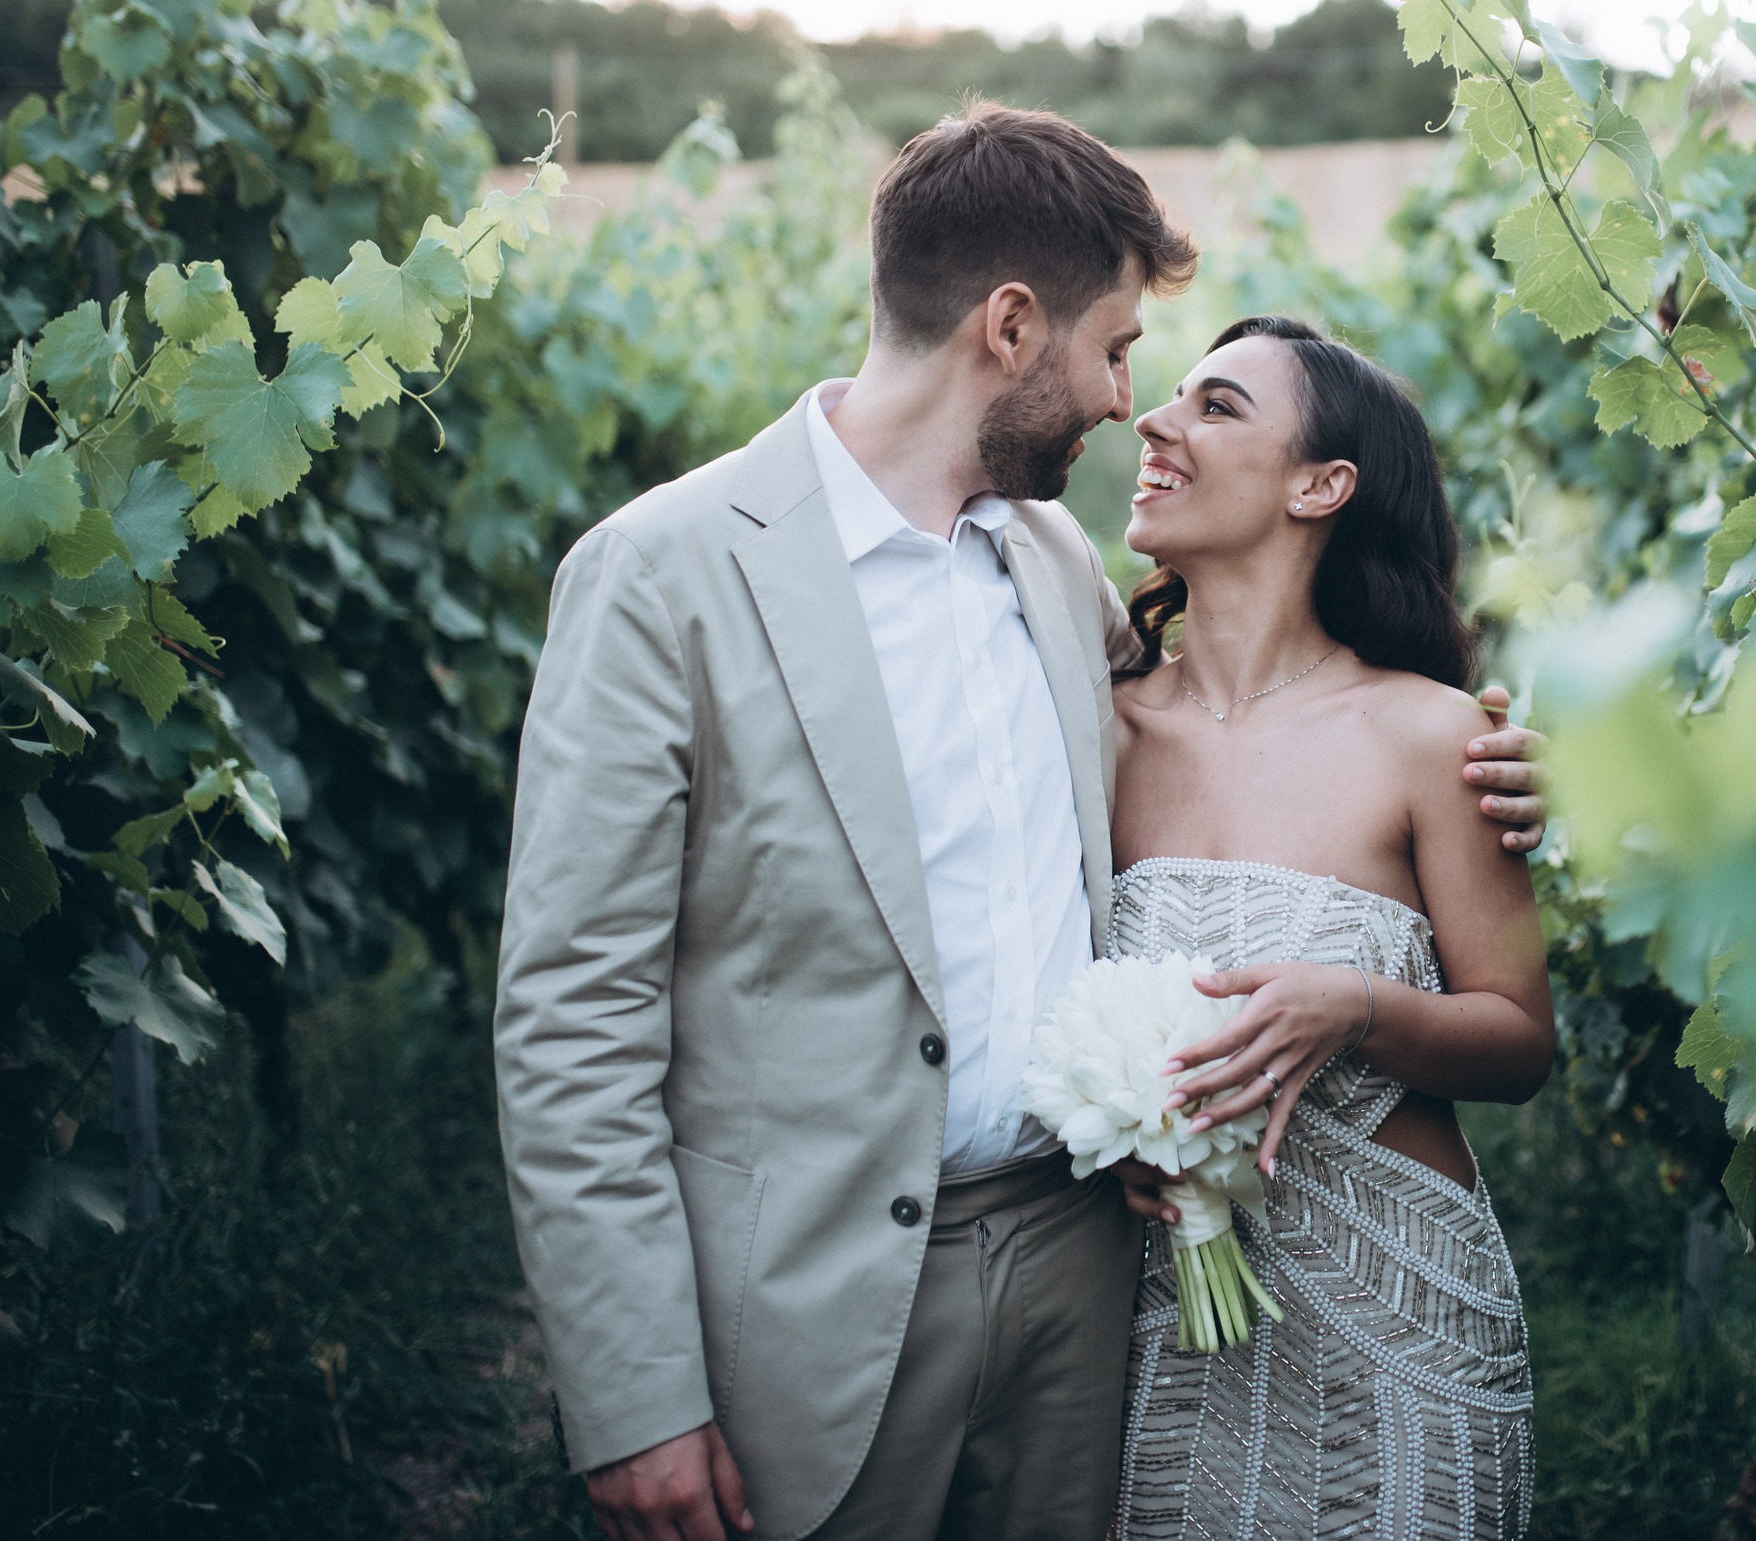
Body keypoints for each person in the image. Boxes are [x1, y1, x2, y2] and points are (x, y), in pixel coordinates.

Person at [492, 105, 1550, 1541]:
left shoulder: (1055, 569)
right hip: (812, 1305)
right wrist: (635, 1394)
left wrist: (1506, 775)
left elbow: (1273, 732)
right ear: (1008, 326)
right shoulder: (659, 572)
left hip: (1088, 1284)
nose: (1127, 403)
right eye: (1116, 349)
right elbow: (572, 1014)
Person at [1105, 317, 1554, 1541]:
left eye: (1216, 406)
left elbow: (1520, 1042)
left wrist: (1352, 1006)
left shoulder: (1434, 734)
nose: (1154, 420)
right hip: (1157, 1320)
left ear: (1322, 485)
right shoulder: (1097, 730)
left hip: (1399, 1315)